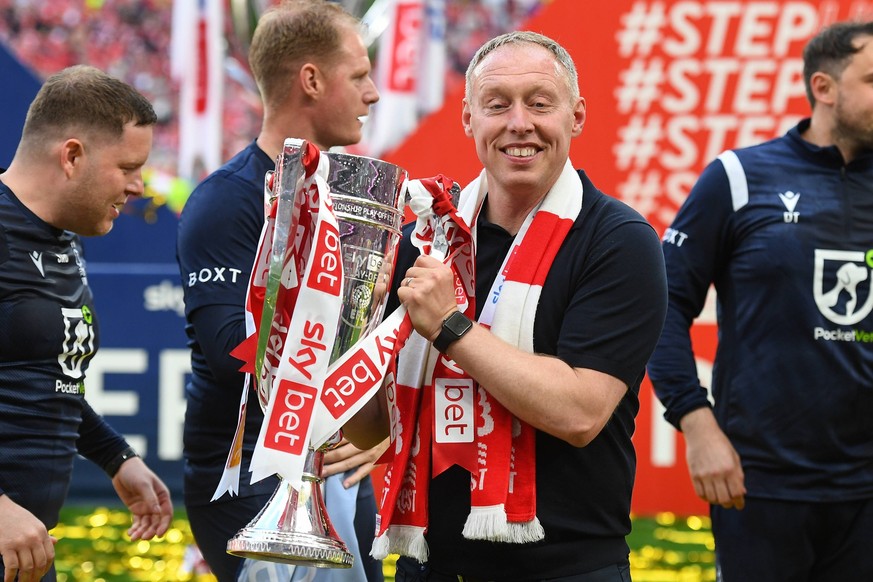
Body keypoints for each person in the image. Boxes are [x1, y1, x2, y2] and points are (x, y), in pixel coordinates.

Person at [343, 31, 668, 581]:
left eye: (540, 103)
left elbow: (580, 412)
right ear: (469, 120)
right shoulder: (427, 240)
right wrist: (341, 326)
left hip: (568, 567)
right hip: (430, 564)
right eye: (498, 105)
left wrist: (451, 326)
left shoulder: (619, 240)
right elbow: (370, 429)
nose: (520, 123)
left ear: (577, 116)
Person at [646, 20, 873, 581]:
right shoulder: (739, 177)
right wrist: (697, 425)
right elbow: (662, 306)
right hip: (759, 483)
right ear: (824, 88)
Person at [175, 1, 387, 581]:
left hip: (336, 470)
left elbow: (379, 335)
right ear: (312, 81)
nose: (373, 94)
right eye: (360, 75)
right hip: (249, 484)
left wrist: (380, 423)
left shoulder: (353, 197)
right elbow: (229, 353)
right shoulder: (228, 202)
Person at [0, 65, 173, 582]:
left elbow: (47, 381)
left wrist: (115, 455)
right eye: (128, 166)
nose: (138, 186)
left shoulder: (62, 236)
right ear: (72, 156)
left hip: (27, 550)